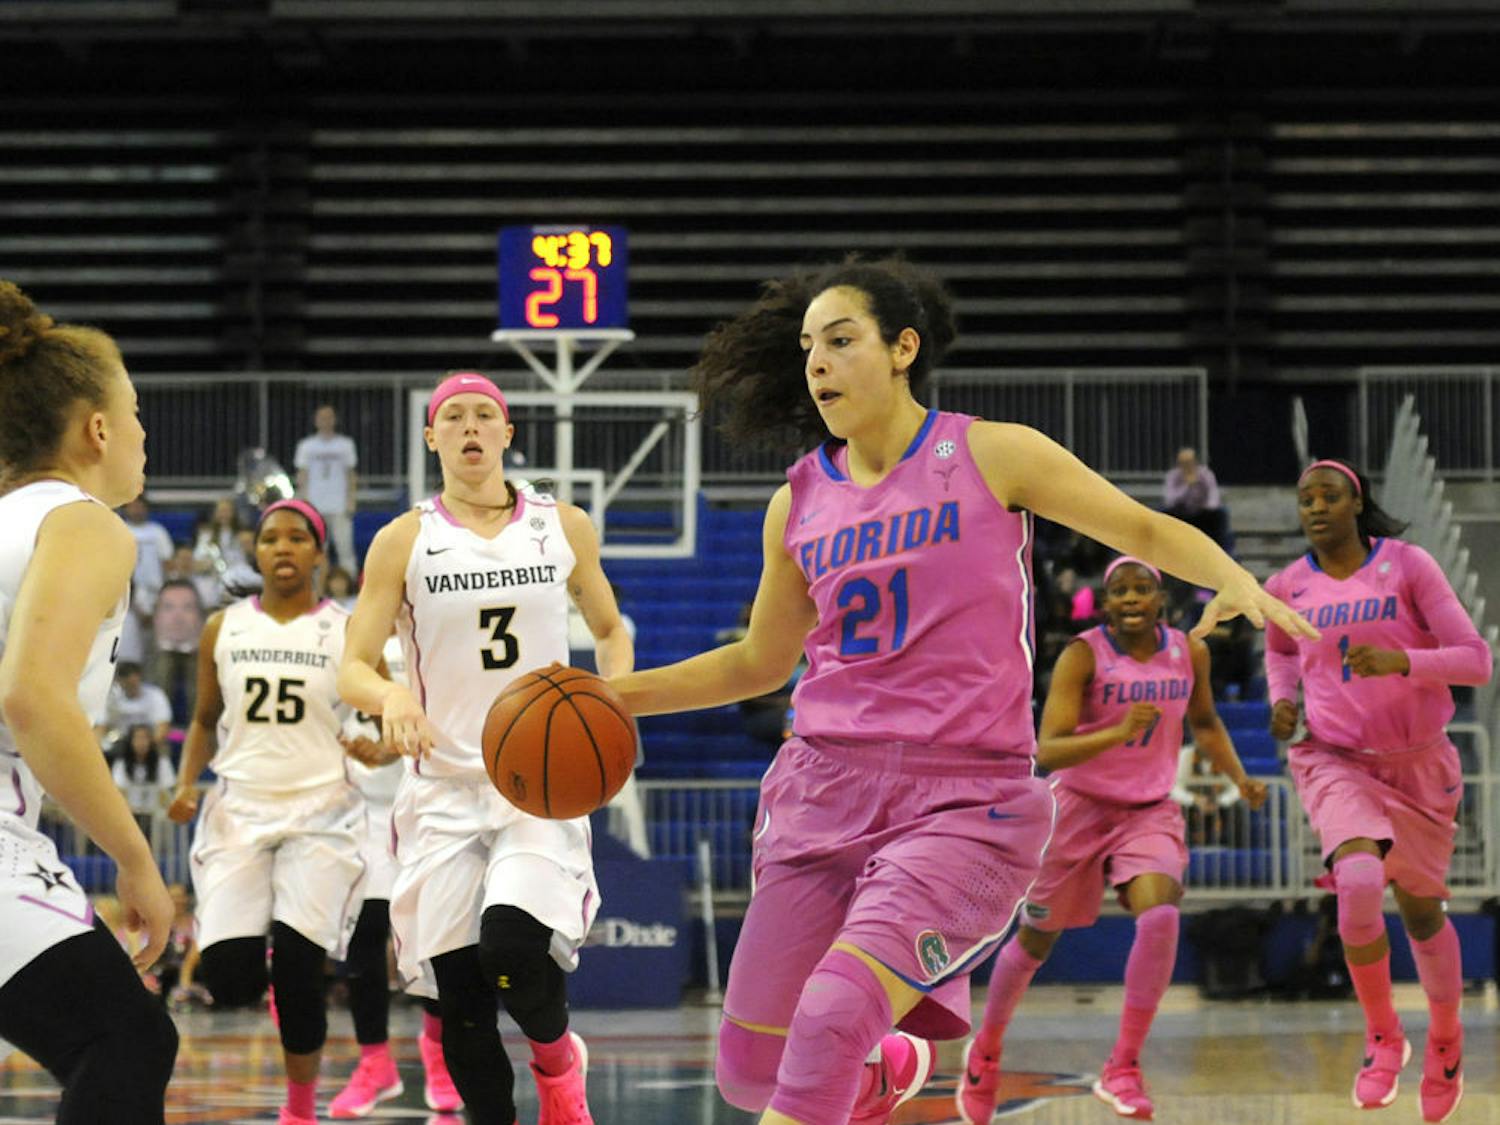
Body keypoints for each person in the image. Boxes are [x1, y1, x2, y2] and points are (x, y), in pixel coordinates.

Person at [603, 258, 1314, 1125]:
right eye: (807, 348)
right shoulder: (798, 503)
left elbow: (1136, 524)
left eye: (840, 340)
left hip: (962, 796)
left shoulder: (987, 451)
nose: (817, 363)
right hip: (820, 788)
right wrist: (611, 695)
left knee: (830, 1014)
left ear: (903, 348)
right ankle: (891, 1063)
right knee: (752, 1073)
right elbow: (758, 661)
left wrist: (1229, 576)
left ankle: (867, 1045)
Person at [338, 371, 635, 1125]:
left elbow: (609, 628)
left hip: (535, 785)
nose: (470, 427)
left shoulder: (562, 525)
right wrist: (392, 694)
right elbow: (352, 662)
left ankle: (559, 1061)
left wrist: (614, 698)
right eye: (454, 417)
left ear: (507, 434)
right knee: (463, 1002)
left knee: (512, 950)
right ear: (433, 437)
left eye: (485, 415)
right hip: (440, 790)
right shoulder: (404, 538)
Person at [957, 556, 1267, 1123]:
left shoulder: (1188, 652)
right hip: (1077, 809)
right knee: (1035, 941)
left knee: (1161, 915)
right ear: (1105, 603)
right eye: (1119, 591)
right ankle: (986, 1051)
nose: (1129, 598)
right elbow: (1046, 749)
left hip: (1148, 810)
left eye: (1140, 589)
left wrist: (1238, 775)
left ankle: (1123, 1065)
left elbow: (1204, 722)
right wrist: (1118, 731)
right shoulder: (1082, 656)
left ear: (1160, 598)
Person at [1264, 458, 1492, 1123]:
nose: (1315, 507)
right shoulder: (1288, 584)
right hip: (1337, 759)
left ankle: (1446, 1040)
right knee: (1359, 879)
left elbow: (1475, 659)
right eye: (1305, 498)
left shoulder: (1409, 565)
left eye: (1329, 495)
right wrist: (1283, 700)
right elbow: (1279, 649)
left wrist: (1404, 661)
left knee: (1422, 913)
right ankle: (1383, 1035)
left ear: (1356, 502)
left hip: (1421, 763)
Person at [0, 280, 179, 1121]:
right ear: (98, 428)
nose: (144, 432)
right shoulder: (81, 524)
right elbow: (32, 699)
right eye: (136, 411)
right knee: (129, 1038)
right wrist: (135, 859)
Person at [167, 500, 372, 1125]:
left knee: (301, 973)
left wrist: (382, 744)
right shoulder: (222, 629)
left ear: (318, 551)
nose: (282, 548)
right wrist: (184, 784)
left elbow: (383, 717)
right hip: (241, 809)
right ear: (254, 553)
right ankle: (278, 977)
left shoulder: (346, 631)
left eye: (297, 538)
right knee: (231, 981)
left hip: (322, 812)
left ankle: (301, 1110)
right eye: (270, 539)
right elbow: (204, 720)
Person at [329, 631, 462, 1119]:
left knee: (438, 941)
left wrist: (392, 748)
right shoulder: (349, 658)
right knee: (365, 939)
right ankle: (374, 1063)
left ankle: (437, 1051)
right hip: (367, 814)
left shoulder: (437, 642)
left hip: (430, 808)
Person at [294, 403, 359, 571]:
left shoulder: (345, 444)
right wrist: (303, 503)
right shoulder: (306, 446)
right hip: (315, 505)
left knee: (345, 549)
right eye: (322, 417)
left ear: (334, 420)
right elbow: (302, 475)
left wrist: (351, 501)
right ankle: (316, 589)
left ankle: (350, 587)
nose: (325, 421)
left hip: (339, 505)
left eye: (329, 417)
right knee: (317, 551)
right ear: (316, 421)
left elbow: (350, 474)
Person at [120, 494, 175, 665]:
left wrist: (163, 600)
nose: (136, 509)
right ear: (126, 508)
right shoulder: (120, 529)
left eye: (140, 506)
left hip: (156, 593)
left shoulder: (157, 532)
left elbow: (168, 565)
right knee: (129, 650)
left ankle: (151, 688)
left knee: (155, 651)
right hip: (127, 596)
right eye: (132, 506)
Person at [1163, 447, 1229, 547]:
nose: (1187, 466)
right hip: (1181, 512)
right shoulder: (1173, 476)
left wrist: (1209, 507)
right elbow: (1171, 500)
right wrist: (1187, 486)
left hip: (1202, 512)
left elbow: (1213, 494)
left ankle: (1225, 550)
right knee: (1162, 512)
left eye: (1190, 462)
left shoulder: (1205, 474)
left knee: (1221, 513)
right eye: (1184, 463)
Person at [100, 661, 173, 746]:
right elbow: (101, 726)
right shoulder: (112, 698)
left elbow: (163, 727)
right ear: (120, 681)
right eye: (127, 683)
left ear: (139, 677)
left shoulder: (155, 695)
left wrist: (144, 746)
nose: (131, 686)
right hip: (119, 744)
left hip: (149, 744)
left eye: (133, 683)